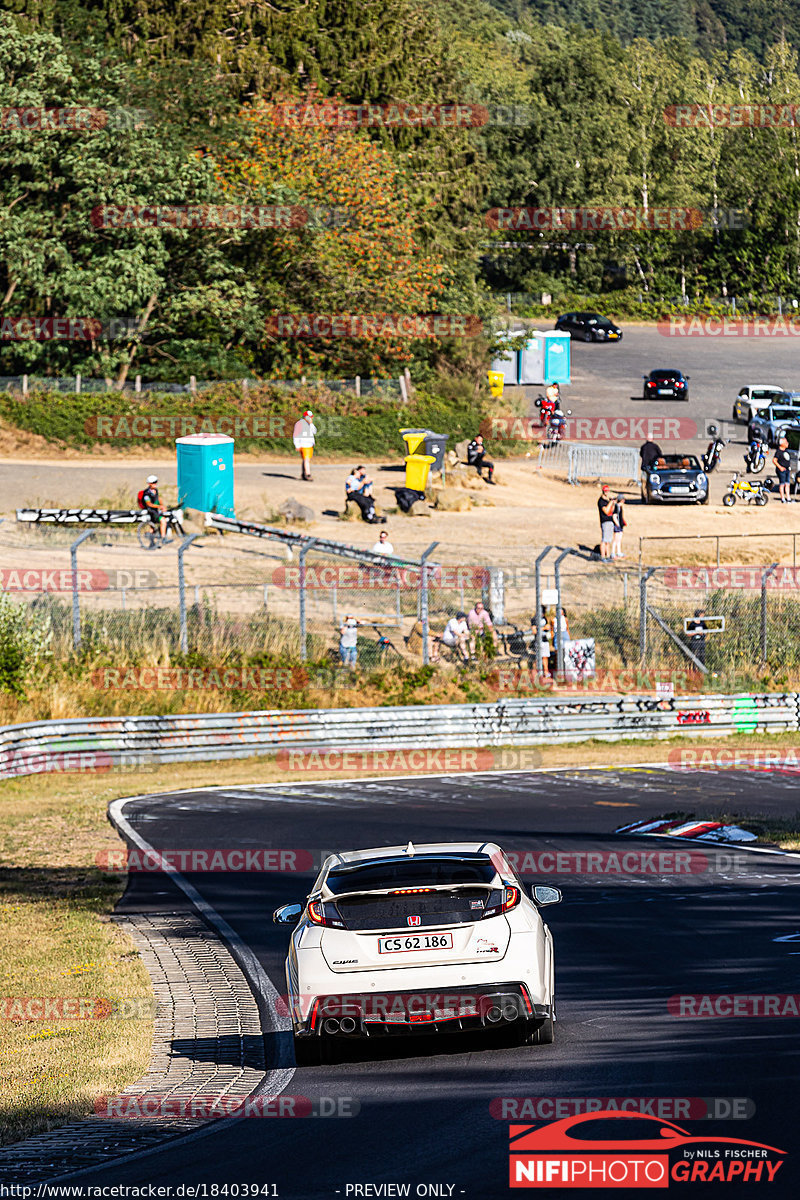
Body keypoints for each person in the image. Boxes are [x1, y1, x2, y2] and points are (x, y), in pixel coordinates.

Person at [140, 474, 168, 538]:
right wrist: (159, 507)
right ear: (149, 484)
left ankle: (151, 541)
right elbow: (149, 504)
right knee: (163, 521)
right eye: (153, 483)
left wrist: (162, 506)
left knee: (152, 527)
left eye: (156, 482)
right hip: (151, 511)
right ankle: (163, 538)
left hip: (155, 510)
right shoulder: (146, 493)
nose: (155, 484)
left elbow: (158, 498)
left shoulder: (155, 490)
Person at [292, 410, 317, 481]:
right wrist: (297, 445)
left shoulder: (310, 424)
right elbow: (296, 435)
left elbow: (314, 431)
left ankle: (303, 474)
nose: (310, 419)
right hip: (304, 444)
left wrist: (311, 424)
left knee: (305, 460)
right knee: (307, 459)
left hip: (310, 444)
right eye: (309, 417)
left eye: (311, 417)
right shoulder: (299, 424)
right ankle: (308, 474)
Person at [597, 484, 615, 562]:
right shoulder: (601, 501)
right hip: (605, 521)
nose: (607, 492)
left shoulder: (607, 501)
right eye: (605, 491)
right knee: (604, 540)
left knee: (608, 541)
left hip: (610, 521)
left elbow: (611, 511)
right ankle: (603, 556)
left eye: (608, 491)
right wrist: (610, 503)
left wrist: (613, 503)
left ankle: (607, 556)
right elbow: (606, 511)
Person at [774, 436, 792, 502]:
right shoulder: (778, 452)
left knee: (787, 484)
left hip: (787, 469)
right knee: (782, 484)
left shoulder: (786, 451)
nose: (787, 443)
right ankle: (782, 498)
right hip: (782, 470)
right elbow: (774, 460)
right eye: (786, 442)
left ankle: (788, 498)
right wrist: (780, 467)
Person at [611, 493, 626, 559]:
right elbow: (614, 516)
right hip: (617, 525)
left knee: (619, 539)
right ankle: (613, 553)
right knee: (615, 539)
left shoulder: (620, 507)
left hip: (620, 525)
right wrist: (617, 524)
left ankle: (619, 552)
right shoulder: (616, 507)